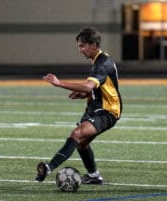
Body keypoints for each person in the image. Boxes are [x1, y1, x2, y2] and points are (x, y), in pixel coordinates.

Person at [35, 27, 122, 184]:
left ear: (94, 45)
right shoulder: (99, 61)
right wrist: (85, 95)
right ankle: (94, 176)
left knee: (77, 134)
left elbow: (89, 85)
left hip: (107, 111)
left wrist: (60, 83)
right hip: (95, 108)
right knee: (82, 143)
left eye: (82, 46)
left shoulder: (102, 63)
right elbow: (96, 88)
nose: (80, 50)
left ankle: (48, 168)